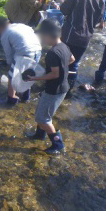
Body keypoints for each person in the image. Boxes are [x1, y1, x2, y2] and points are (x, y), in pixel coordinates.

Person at [28, 19, 74, 154]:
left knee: (43, 118)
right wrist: (63, 67)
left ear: (48, 35)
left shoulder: (53, 53)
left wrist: (36, 78)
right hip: (62, 87)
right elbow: (72, 59)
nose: (42, 39)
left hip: (54, 90)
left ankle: (57, 144)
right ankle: (39, 135)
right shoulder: (64, 46)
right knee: (42, 111)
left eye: (42, 36)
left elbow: (54, 75)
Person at [60, 0, 106, 91]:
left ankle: (58, 88)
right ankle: (68, 91)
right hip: (86, 38)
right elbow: (99, 19)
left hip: (70, 34)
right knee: (74, 64)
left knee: (62, 62)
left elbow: (64, 10)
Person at [0, 17, 42, 105]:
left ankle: (11, 99)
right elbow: (31, 32)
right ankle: (25, 97)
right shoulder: (21, 25)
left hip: (25, 53)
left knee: (13, 77)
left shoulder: (5, 34)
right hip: (37, 51)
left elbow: (8, 54)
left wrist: (9, 67)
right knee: (28, 74)